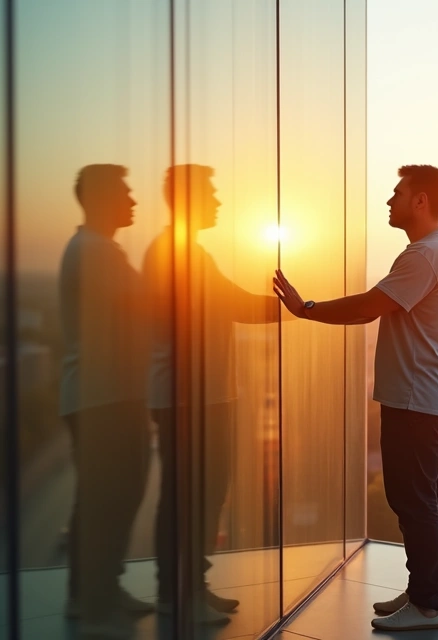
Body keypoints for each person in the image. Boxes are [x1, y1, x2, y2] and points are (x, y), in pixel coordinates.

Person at [273, 164, 438, 632]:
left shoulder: (424, 255)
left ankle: (425, 606)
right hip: (424, 397)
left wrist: (305, 309)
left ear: (421, 201)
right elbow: (374, 311)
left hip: (415, 399)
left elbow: (366, 306)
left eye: (397, 193)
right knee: (428, 498)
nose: (389, 201)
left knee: (412, 499)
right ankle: (434, 591)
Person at [142, 164, 280, 625]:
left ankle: (189, 588)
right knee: (190, 497)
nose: (218, 201)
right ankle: (179, 594)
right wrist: (301, 308)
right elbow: (235, 303)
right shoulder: (177, 253)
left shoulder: (187, 251)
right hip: (189, 400)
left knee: (201, 494)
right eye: (211, 193)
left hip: (200, 396)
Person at [58, 164, 153, 638]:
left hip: (108, 394)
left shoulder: (99, 249)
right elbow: (148, 305)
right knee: (108, 498)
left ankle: (91, 594)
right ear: (100, 199)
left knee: (107, 497)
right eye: (125, 193)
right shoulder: (95, 252)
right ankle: (95, 606)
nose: (133, 201)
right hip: (105, 398)